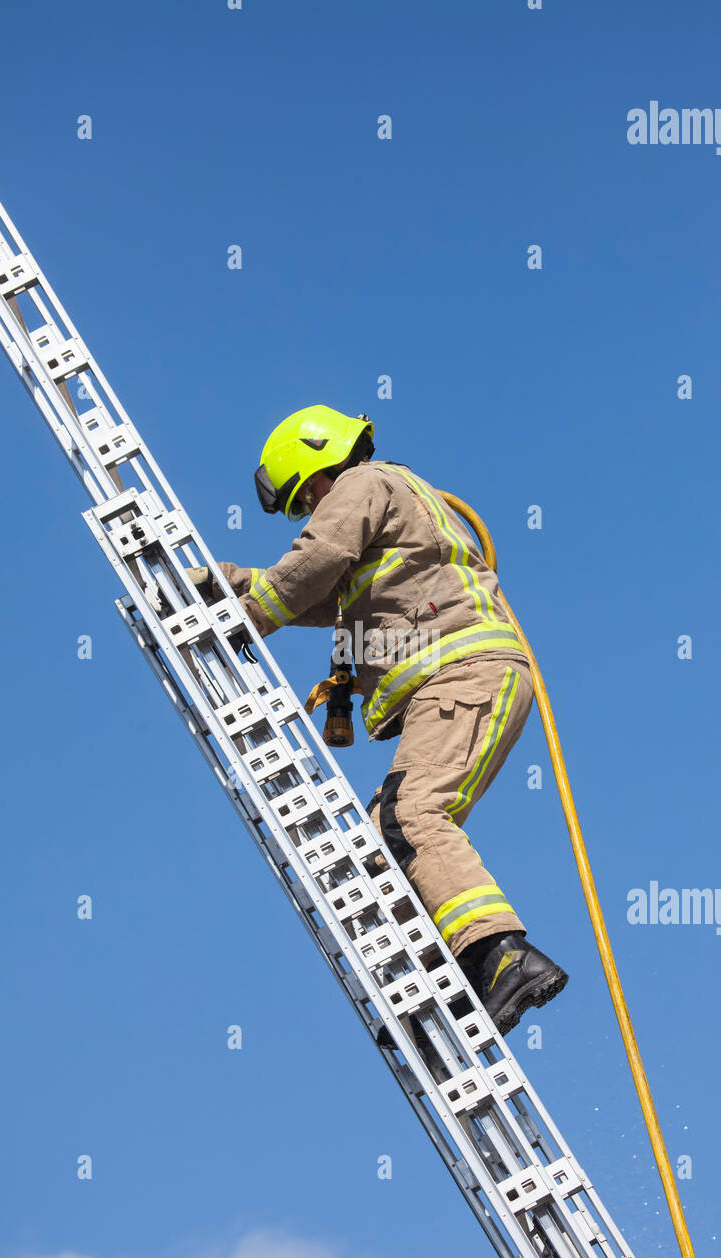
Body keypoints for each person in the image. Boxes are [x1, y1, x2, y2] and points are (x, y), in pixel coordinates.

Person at [209, 405, 567, 1037]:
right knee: (384, 837)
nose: (314, 507)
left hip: (464, 674)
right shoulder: (383, 513)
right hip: (462, 680)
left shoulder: (362, 486)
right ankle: (445, 985)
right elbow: (315, 589)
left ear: (321, 463)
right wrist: (214, 585)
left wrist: (240, 621)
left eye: (307, 495)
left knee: (411, 816)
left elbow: (314, 562)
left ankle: (501, 955)